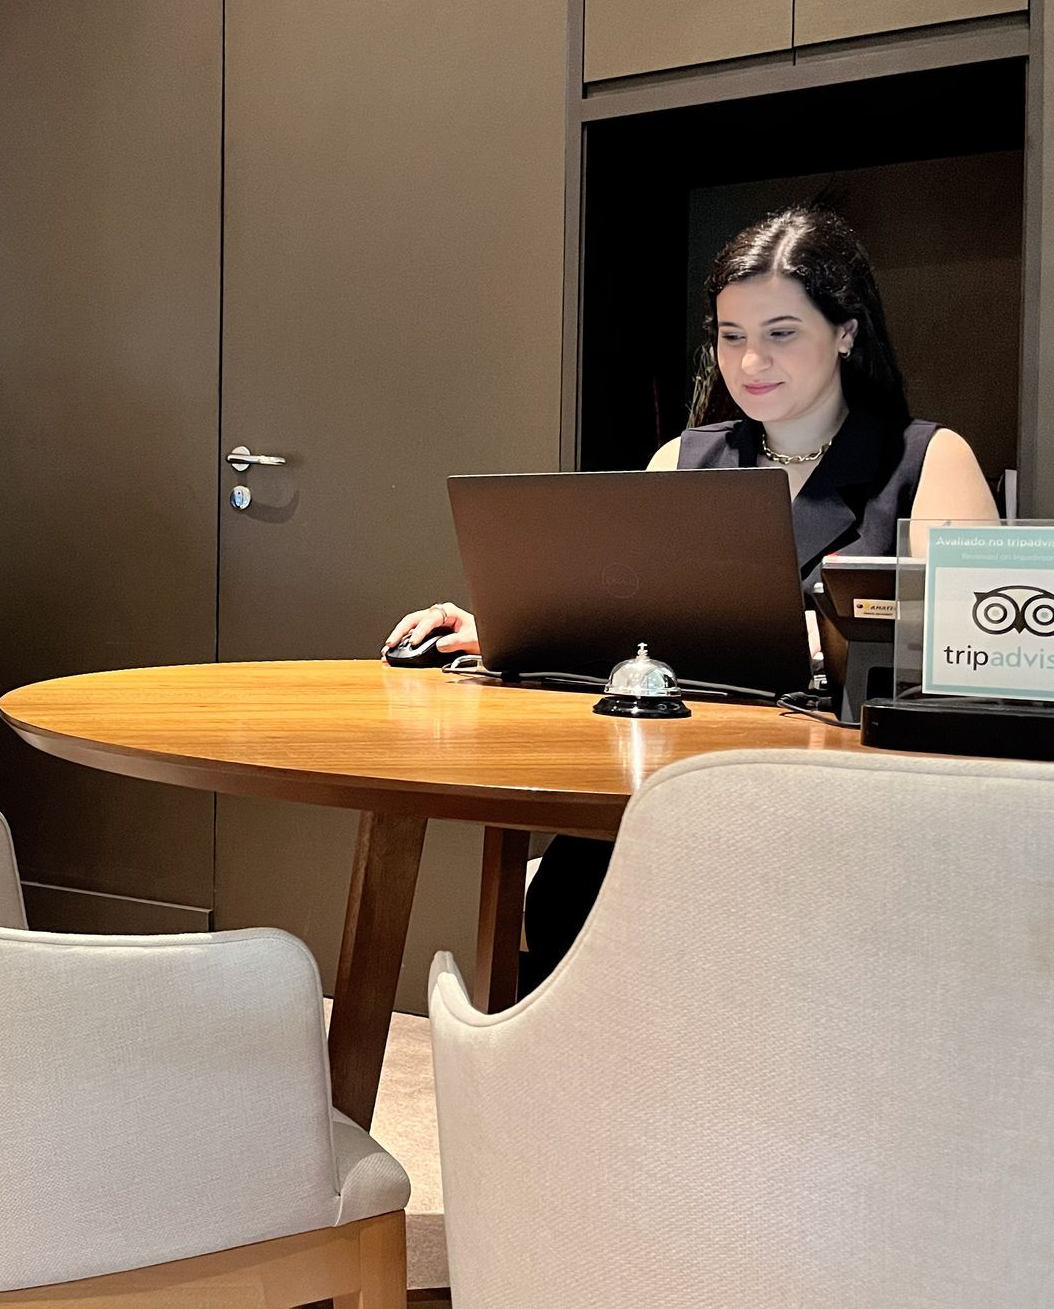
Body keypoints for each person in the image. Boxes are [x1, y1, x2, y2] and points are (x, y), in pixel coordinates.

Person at [382, 207, 998, 994]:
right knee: (570, 892)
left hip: (837, 804)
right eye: (730, 336)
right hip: (675, 785)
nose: (750, 362)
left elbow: (971, 658)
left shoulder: (926, 460)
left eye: (780, 333)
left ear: (846, 331)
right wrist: (507, 622)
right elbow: (627, 623)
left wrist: (830, 644)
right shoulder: (683, 458)